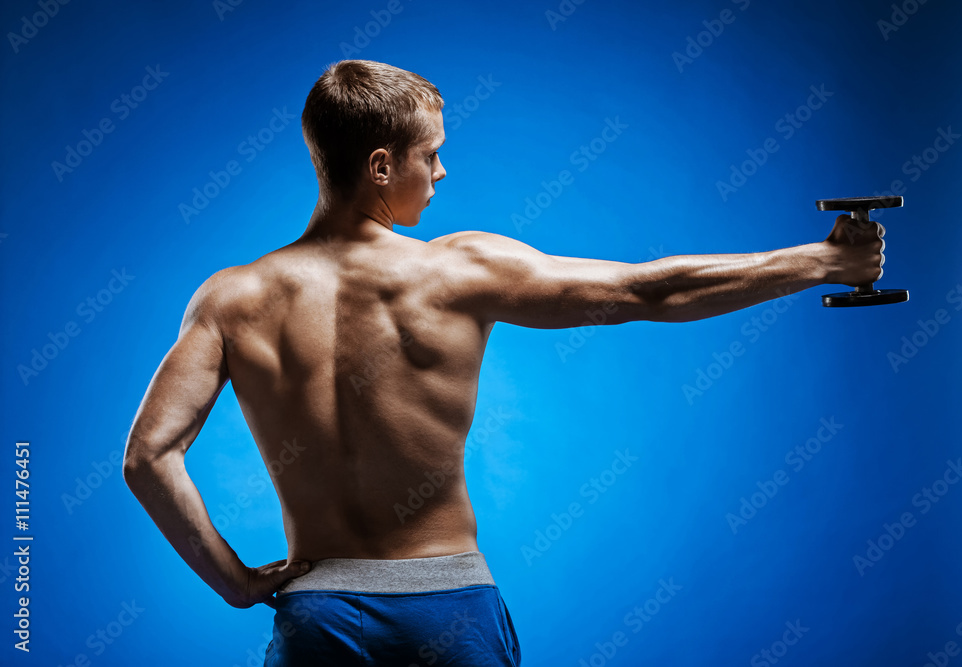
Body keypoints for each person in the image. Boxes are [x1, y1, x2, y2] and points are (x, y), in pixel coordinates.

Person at [122, 59, 885, 666]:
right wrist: (823, 261)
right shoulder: (460, 269)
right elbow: (649, 289)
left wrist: (234, 581)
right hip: (449, 611)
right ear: (381, 166)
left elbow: (148, 456)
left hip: (320, 617)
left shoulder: (232, 296)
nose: (443, 172)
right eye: (432, 154)